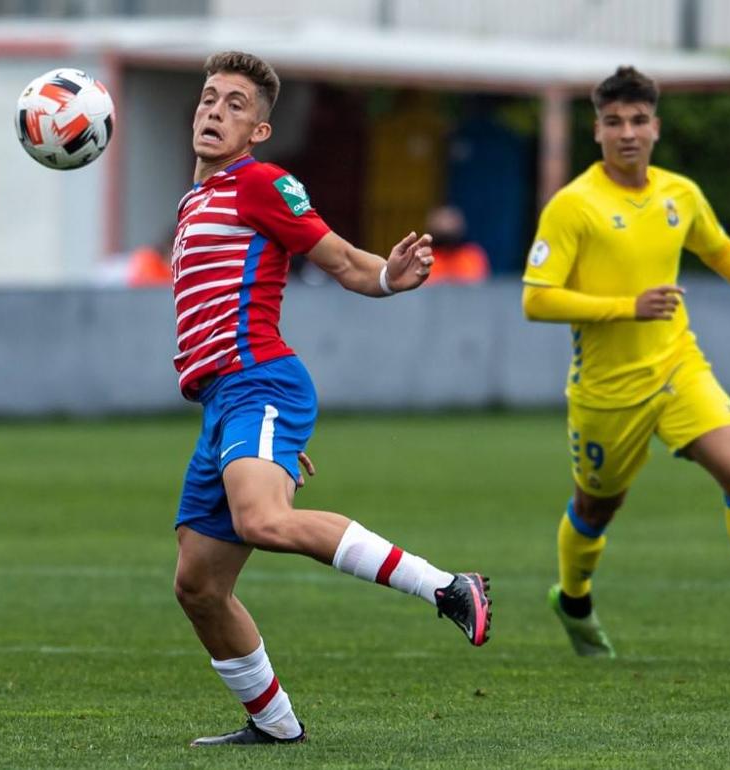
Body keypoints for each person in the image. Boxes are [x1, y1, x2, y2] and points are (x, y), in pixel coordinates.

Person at [171, 51, 492, 747]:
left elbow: (343, 262)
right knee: (198, 585)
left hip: (260, 382)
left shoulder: (261, 182)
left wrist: (388, 277)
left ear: (259, 130)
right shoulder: (195, 200)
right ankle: (274, 726)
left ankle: (447, 586)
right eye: (208, 98)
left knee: (262, 521)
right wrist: (263, 440)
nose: (214, 111)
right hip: (229, 404)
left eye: (234, 104)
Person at [522, 66, 730, 659]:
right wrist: (627, 306)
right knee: (597, 506)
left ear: (656, 127)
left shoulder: (680, 194)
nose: (627, 133)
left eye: (638, 121)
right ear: (596, 131)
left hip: (677, 366)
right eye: (614, 122)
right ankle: (573, 600)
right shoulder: (574, 206)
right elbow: (535, 298)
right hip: (607, 391)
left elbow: (722, 252)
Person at [423, 205, 490, 285]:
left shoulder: (472, 256)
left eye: (450, 222)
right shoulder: (423, 257)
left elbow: (478, 284)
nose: (445, 228)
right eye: (441, 223)